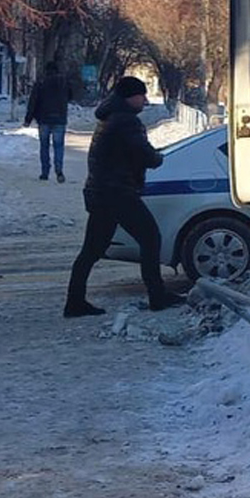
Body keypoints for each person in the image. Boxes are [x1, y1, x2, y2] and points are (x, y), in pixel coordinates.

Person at [64, 76, 178, 317]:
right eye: (142, 95)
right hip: (118, 193)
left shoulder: (110, 117)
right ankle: (157, 296)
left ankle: (74, 302)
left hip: (101, 192)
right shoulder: (126, 121)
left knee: (92, 250)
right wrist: (157, 157)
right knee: (150, 238)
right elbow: (145, 155)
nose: (145, 100)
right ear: (130, 97)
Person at [23, 60, 74, 183]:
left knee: (44, 146)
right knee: (59, 146)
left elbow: (33, 102)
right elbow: (71, 96)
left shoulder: (40, 82)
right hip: (60, 119)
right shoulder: (64, 82)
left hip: (44, 119)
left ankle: (45, 172)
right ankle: (59, 170)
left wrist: (28, 119)